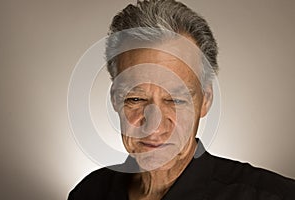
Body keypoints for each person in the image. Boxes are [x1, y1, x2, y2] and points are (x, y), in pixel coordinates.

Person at [68, 0, 295, 199]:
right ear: (115, 99)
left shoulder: (272, 196)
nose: (154, 126)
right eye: (136, 98)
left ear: (205, 100)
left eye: (175, 100)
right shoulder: (88, 193)